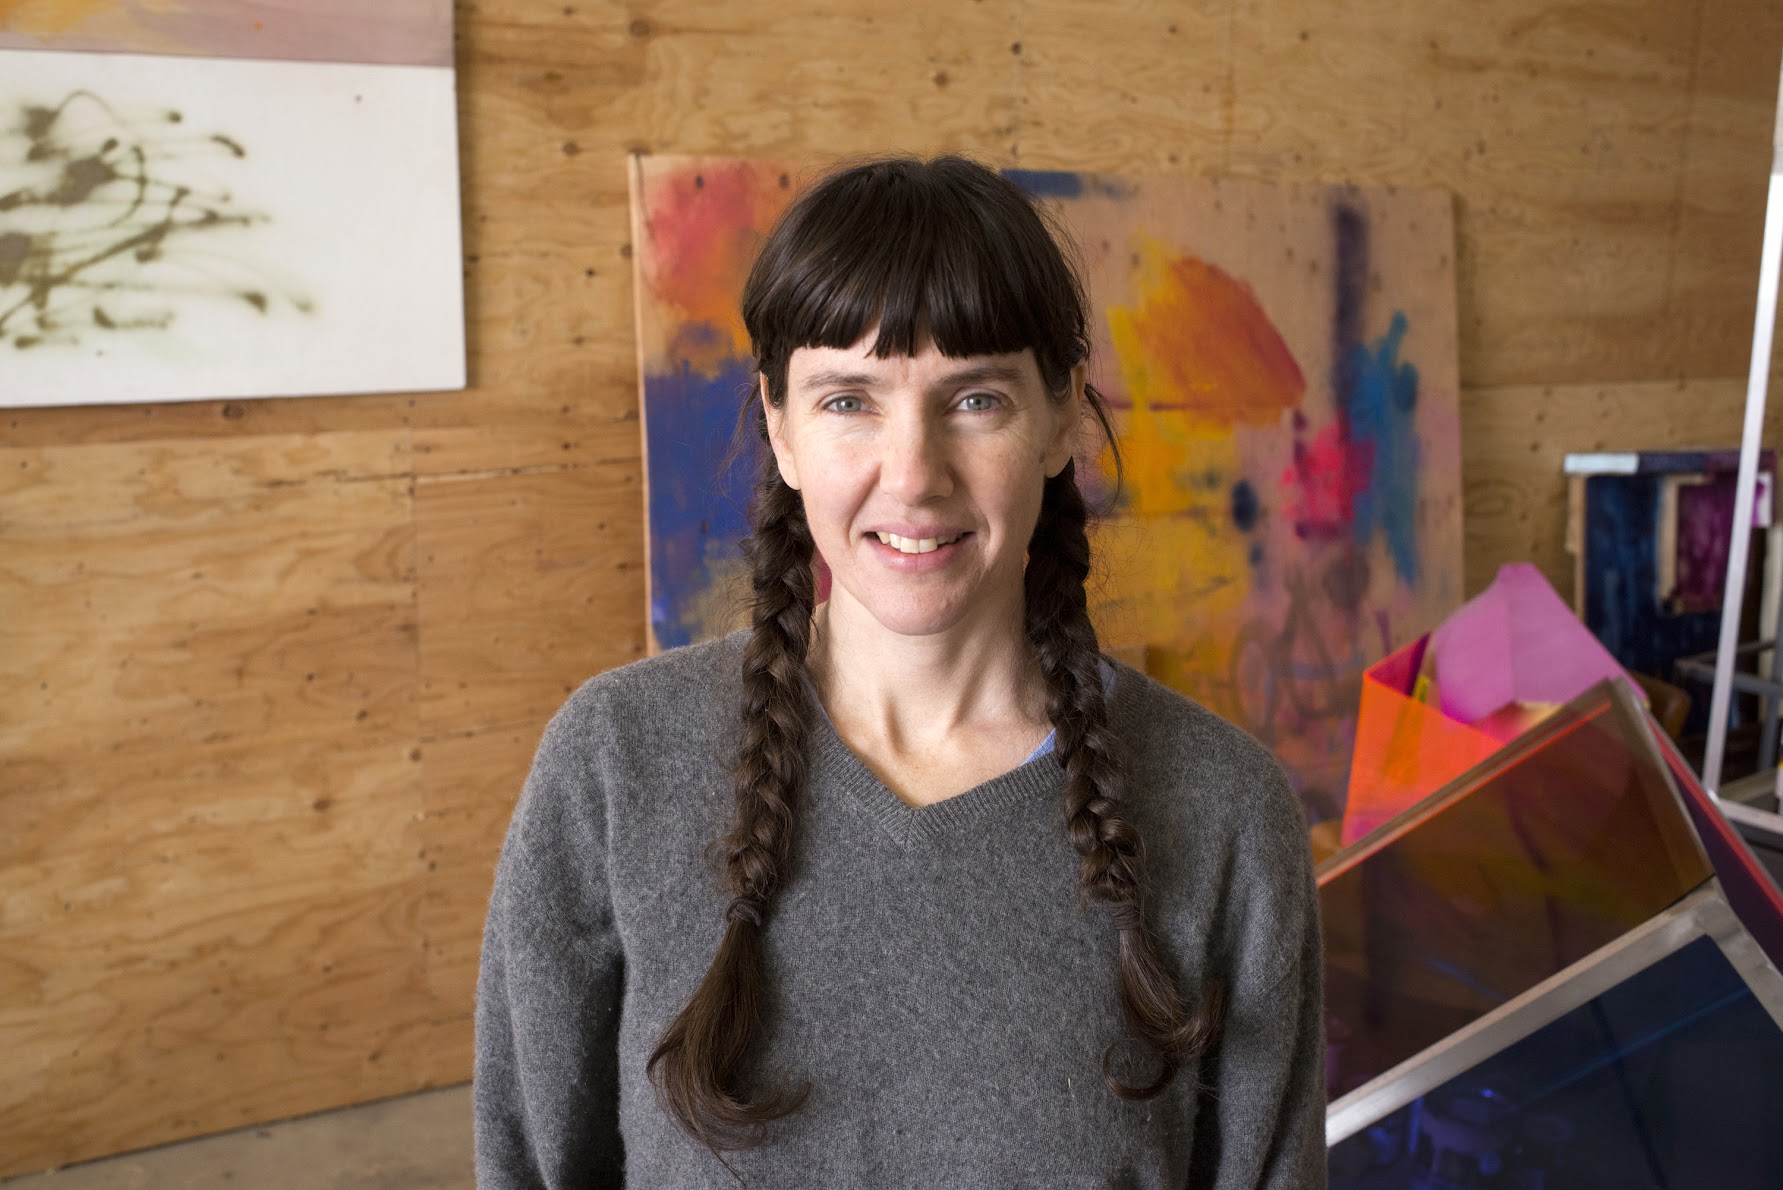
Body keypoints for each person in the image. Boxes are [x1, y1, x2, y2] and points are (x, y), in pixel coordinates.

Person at [473, 154, 1326, 1189]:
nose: (914, 472)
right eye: (848, 401)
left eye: (974, 398)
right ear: (779, 424)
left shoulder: (1223, 810)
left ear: (1061, 418)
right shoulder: (615, 763)